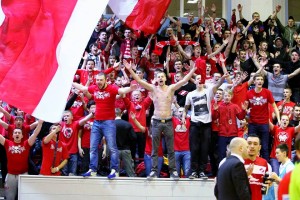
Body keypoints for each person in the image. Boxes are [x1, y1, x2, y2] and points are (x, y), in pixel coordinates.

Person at [124, 59, 196, 180]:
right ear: (156, 79)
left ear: (165, 78)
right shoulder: (153, 88)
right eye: (158, 77)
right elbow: (139, 80)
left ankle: (173, 171)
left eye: (162, 76)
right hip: (156, 121)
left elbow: (184, 80)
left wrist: (192, 70)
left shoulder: (171, 88)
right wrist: (130, 69)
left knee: (170, 148)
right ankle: (153, 170)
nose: (161, 78)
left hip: (168, 121)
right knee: (155, 148)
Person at [73, 72, 136, 179]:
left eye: (101, 80)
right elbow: (84, 88)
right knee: (93, 147)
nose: (98, 82)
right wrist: (71, 82)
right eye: (97, 80)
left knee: (112, 147)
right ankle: (92, 170)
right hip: (97, 122)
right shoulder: (94, 88)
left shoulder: (112, 88)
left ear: (105, 80)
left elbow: (121, 91)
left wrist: (130, 89)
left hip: (109, 122)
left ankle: (114, 170)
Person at [185, 73, 228, 179]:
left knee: (205, 149)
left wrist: (222, 78)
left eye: (201, 79)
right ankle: (194, 171)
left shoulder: (208, 92)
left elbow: (217, 86)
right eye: (198, 79)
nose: (200, 80)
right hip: (194, 124)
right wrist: (183, 116)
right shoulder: (190, 94)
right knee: (194, 149)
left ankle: (202, 171)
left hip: (206, 125)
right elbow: (186, 107)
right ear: (195, 81)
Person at [0, 120, 43, 200]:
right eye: (15, 133)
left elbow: (35, 133)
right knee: (10, 198)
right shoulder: (7, 143)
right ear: (12, 135)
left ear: (22, 136)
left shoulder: (27, 144)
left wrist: (40, 123)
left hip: (23, 175)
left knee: (25, 197)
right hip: (10, 176)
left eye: (19, 133)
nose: (17, 134)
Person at [245, 73, 280, 161]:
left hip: (264, 123)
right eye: (258, 79)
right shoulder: (249, 93)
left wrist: (278, 119)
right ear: (254, 81)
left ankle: (266, 168)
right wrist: (246, 113)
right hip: (252, 123)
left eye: (261, 79)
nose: (260, 81)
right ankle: (250, 164)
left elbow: (274, 106)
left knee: (264, 147)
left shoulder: (267, 92)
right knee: (250, 146)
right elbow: (245, 109)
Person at [244, 134, 270, 200]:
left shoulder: (264, 162)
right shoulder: (239, 162)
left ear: (259, 147)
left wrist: (269, 184)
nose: (252, 146)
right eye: (249, 143)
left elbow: (265, 187)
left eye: (255, 144)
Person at [115, 108, 136, 177]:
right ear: (121, 114)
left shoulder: (110, 125)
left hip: (115, 150)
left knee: (115, 173)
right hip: (126, 149)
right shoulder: (128, 124)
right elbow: (134, 137)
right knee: (130, 173)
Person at [173, 107, 191, 178]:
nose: (181, 113)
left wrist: (185, 116)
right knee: (176, 174)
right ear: (177, 113)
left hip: (186, 150)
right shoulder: (173, 120)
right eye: (179, 111)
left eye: (183, 112)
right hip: (176, 150)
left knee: (187, 173)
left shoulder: (189, 120)